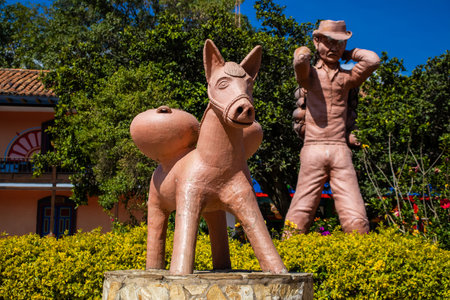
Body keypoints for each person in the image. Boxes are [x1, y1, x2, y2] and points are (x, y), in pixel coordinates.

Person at [285, 20, 380, 234]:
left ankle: (360, 260)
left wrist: (350, 53)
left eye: (339, 43)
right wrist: (305, 50)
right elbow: (300, 61)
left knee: (356, 218)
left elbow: (373, 60)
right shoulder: (309, 76)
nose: (334, 48)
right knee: (300, 211)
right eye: (328, 42)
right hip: (313, 147)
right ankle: (287, 258)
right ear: (317, 41)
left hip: (340, 149)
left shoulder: (347, 78)